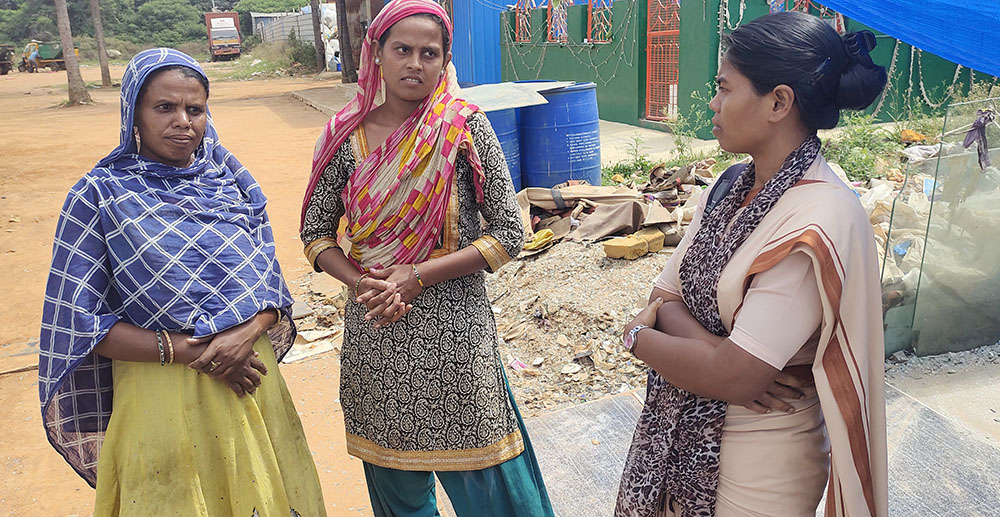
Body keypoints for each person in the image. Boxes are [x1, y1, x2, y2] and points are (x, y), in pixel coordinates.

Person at [615, 12, 889, 517]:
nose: (714, 104)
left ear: (778, 102)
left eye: (724, 88)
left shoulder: (817, 218)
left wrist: (638, 338)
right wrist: (716, 356)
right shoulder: (730, 186)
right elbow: (665, 297)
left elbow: (735, 378)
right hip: (685, 446)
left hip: (760, 472)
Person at [38, 48, 325, 516]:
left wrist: (246, 334)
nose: (182, 122)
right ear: (134, 112)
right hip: (162, 396)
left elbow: (272, 290)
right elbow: (79, 325)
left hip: (251, 380)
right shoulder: (99, 195)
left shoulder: (232, 181)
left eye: (194, 109)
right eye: (164, 107)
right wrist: (198, 352)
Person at [300, 1, 553, 515]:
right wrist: (361, 283)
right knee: (398, 489)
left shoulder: (463, 129)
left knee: (489, 483)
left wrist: (417, 275)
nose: (415, 63)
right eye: (402, 50)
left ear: (444, 61)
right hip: (378, 335)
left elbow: (509, 233)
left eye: (429, 53)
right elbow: (315, 233)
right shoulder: (344, 136)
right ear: (377, 54)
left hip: (457, 339)